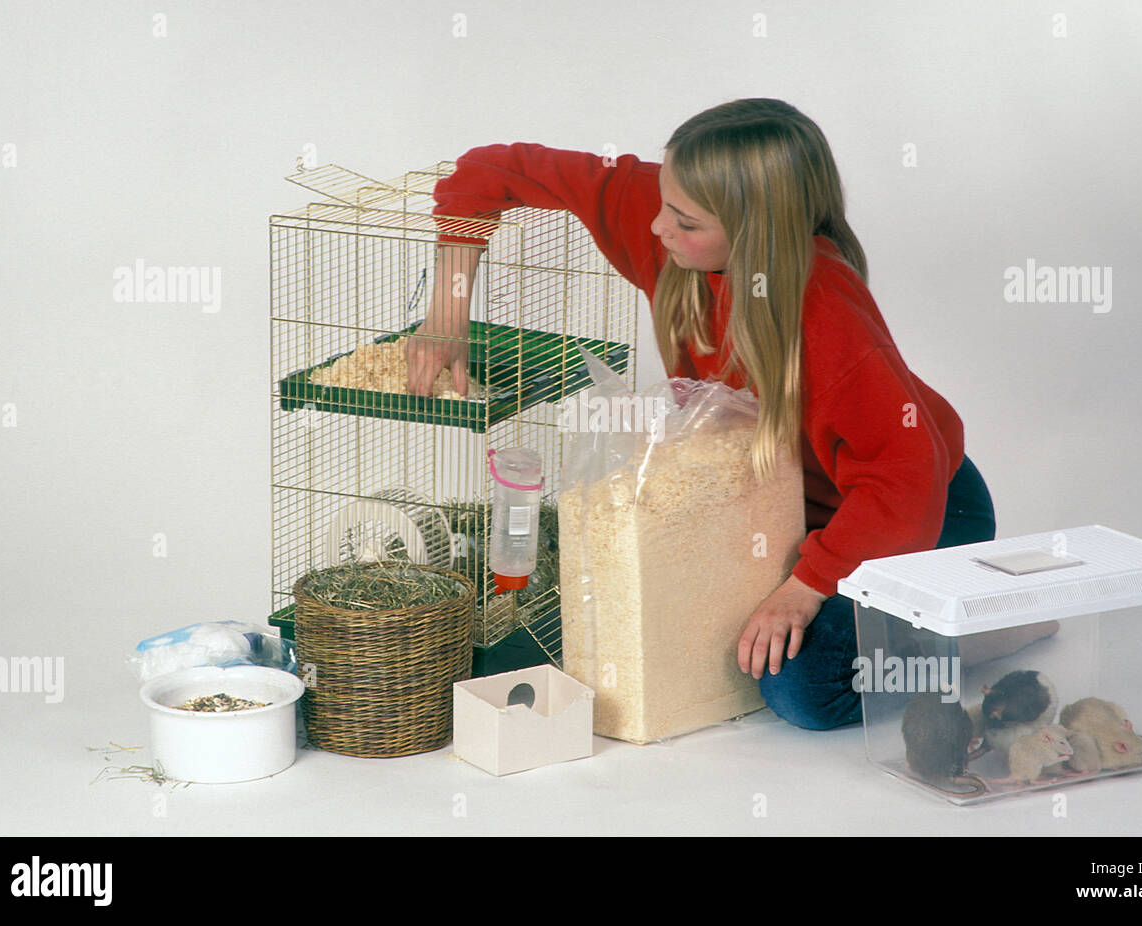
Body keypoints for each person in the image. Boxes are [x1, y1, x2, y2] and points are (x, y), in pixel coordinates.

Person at [408, 98, 1005, 731]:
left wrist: (804, 590)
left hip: (915, 518)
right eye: (664, 201)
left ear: (756, 233)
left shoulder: (827, 312)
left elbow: (903, 476)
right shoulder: (671, 216)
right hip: (784, 510)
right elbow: (484, 171)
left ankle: (974, 633)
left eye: (686, 221)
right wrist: (449, 315)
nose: (659, 228)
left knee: (798, 690)